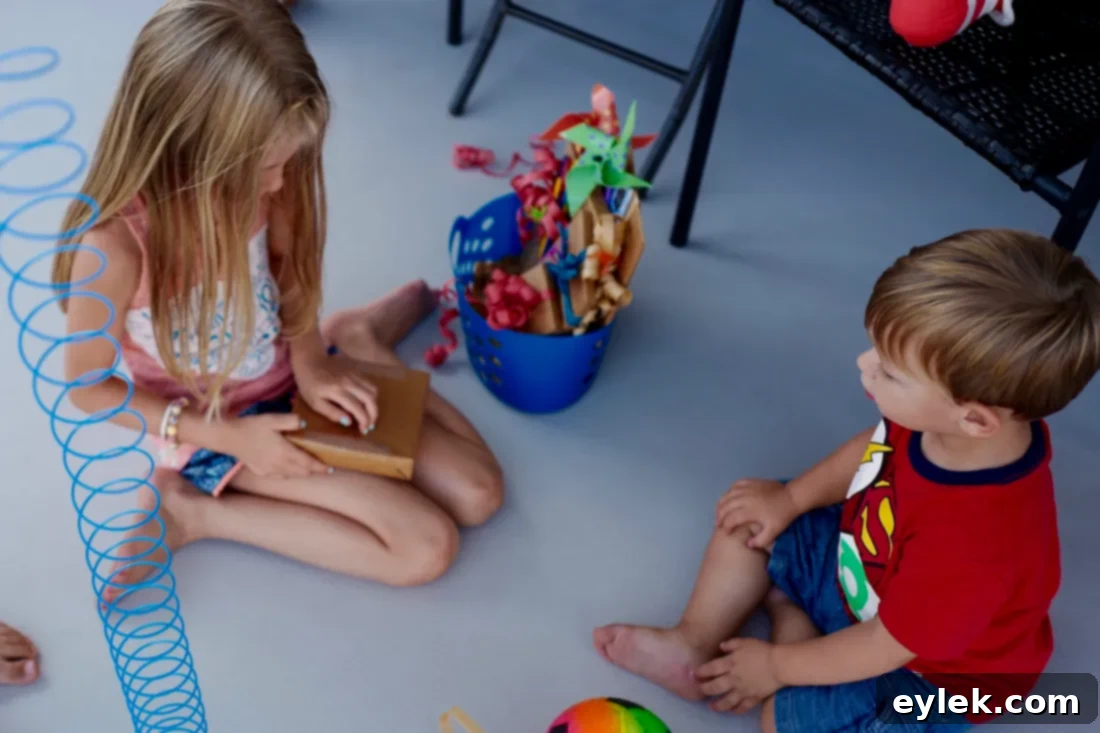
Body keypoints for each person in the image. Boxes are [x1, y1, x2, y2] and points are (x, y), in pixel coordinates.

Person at [52, 0, 503, 601]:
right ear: (191, 150)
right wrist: (232, 440)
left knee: (480, 493)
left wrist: (313, 360)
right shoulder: (115, 249)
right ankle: (191, 510)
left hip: (292, 378)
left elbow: (292, 279)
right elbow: (88, 388)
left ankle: (357, 338)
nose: (280, 184)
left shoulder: (268, 184)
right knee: (425, 547)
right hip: (216, 429)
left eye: (286, 164)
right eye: (265, 168)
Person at [593, 230, 1100, 732]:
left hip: (925, 675)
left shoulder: (974, 550)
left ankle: (791, 622)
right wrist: (790, 500)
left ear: (974, 419)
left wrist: (775, 667)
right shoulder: (951, 421)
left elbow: (885, 645)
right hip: (866, 574)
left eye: (889, 371)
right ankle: (693, 643)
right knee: (751, 519)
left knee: (781, 721)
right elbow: (873, 451)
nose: (863, 364)